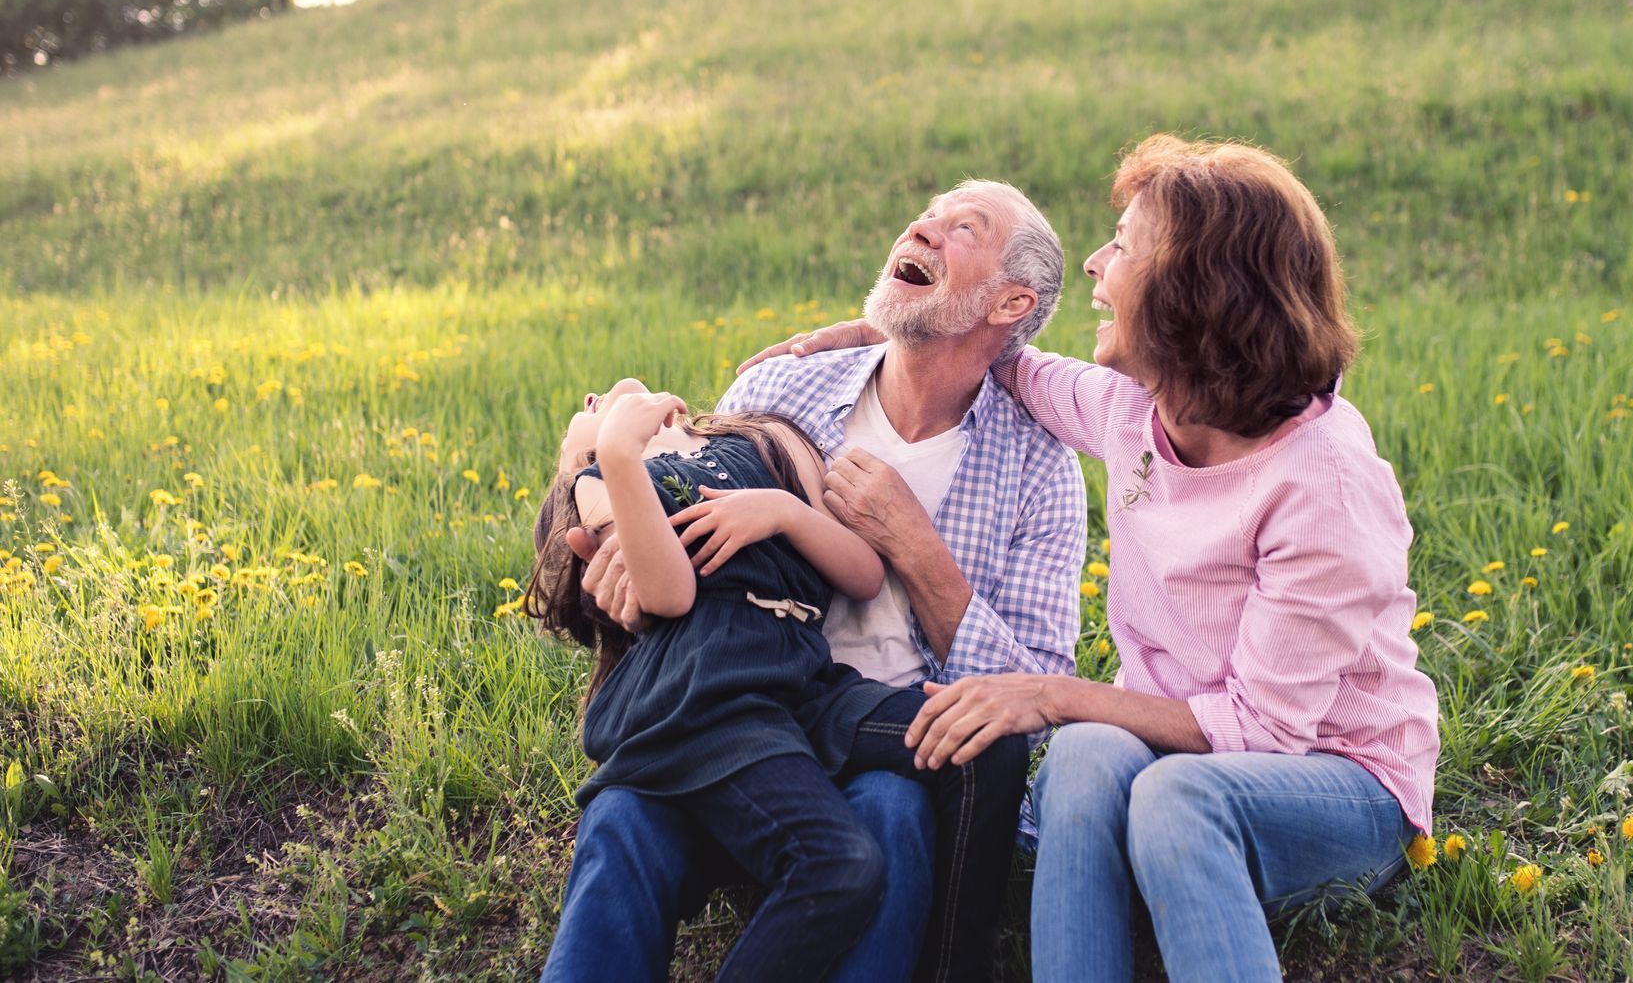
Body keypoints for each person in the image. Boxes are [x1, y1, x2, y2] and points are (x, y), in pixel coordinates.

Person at [743, 137, 1441, 983]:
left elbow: (1265, 730)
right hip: (1181, 758)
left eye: (1123, 246)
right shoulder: (1131, 411)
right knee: (1081, 754)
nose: (1100, 268)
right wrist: (878, 331)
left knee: (1174, 797)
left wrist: (1048, 692)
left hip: (1338, 784)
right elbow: (1001, 354)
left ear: (1197, 290)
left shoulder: (1323, 479)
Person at [543, 180, 1088, 983]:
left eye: (961, 227)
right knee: (625, 814)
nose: (924, 226)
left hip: (874, 738)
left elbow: (1034, 699)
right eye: (928, 214)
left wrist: (919, 550)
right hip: (736, 710)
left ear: (1010, 301)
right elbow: (660, 521)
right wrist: (614, 548)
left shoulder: (1039, 469)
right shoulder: (778, 389)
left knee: (889, 817)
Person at [528, 382, 1028, 983]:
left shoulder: (761, 438)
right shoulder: (607, 480)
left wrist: (782, 510)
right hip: (715, 677)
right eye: (573, 438)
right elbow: (668, 592)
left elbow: (865, 575)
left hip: (800, 681)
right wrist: (611, 453)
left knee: (987, 738)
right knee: (834, 864)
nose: (587, 399)